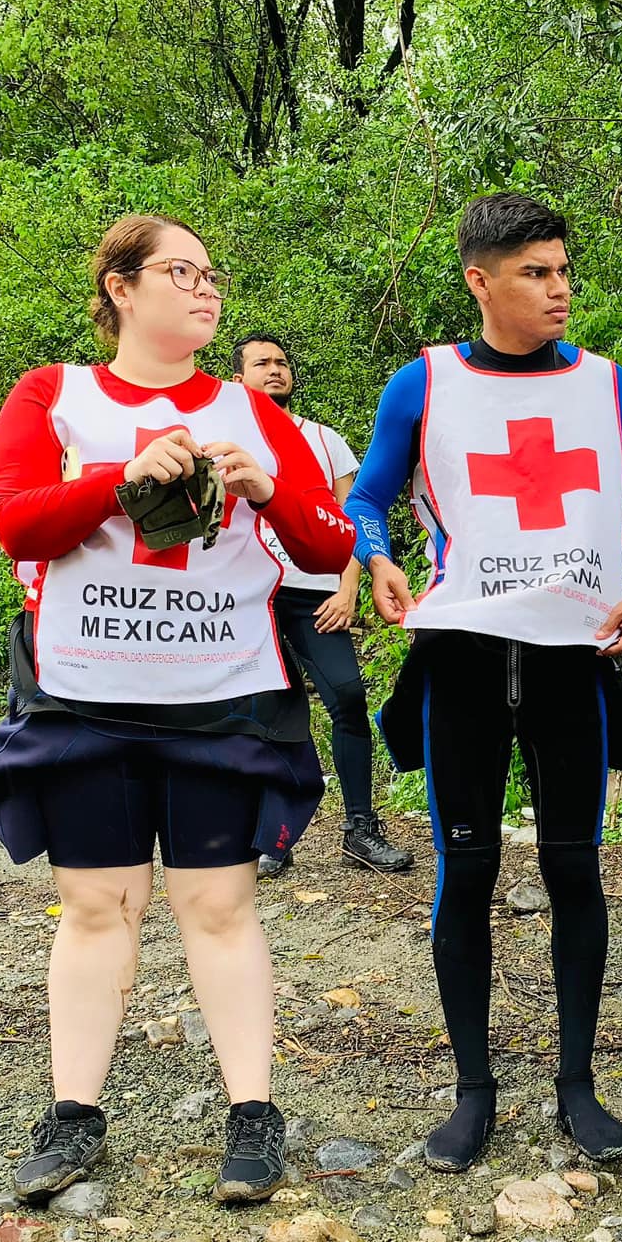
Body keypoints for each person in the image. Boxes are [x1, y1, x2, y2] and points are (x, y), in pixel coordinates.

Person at [0, 214, 358, 1204]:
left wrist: (269, 490)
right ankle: (73, 1117)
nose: (204, 290)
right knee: (99, 907)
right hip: (84, 701)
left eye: (209, 275)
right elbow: (14, 518)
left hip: (216, 701)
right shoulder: (52, 395)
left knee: (219, 907)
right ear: (119, 287)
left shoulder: (248, 407)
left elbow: (326, 545)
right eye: (178, 273)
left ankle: (252, 1118)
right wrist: (116, 481)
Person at [345, 193, 622, 1173]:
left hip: (574, 659)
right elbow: (367, 495)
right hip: (466, 660)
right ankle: (472, 1095)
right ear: (479, 281)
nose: (559, 288)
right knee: (467, 873)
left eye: (564, 269)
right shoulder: (424, 384)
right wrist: (376, 555)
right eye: (535, 272)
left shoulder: (607, 386)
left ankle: (577, 1087)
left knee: (575, 870)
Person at [228, 333, 413, 877]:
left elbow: (355, 515)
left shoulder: (324, 439)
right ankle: (272, 838)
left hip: (315, 595)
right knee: (262, 715)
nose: (274, 370)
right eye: (261, 363)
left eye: (282, 362)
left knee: (349, 699)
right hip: (247, 600)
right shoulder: (218, 439)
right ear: (240, 377)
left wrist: (349, 586)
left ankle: (360, 827)